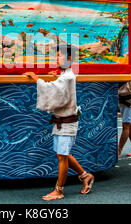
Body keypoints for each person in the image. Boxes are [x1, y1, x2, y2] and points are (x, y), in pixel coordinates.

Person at [23, 44, 94, 201]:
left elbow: (52, 89)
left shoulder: (67, 77)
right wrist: (56, 77)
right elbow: (59, 88)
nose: (56, 58)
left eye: (59, 55)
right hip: (62, 121)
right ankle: (84, 175)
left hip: (66, 122)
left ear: (69, 58)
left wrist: (36, 78)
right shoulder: (66, 75)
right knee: (63, 154)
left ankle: (59, 190)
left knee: (62, 156)